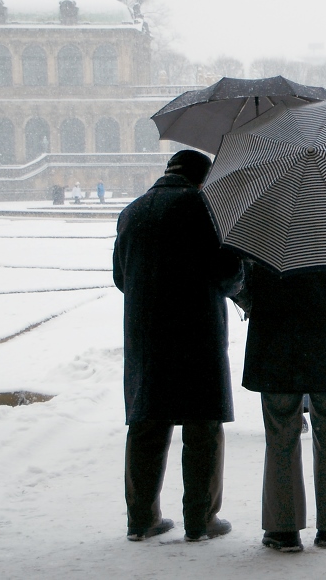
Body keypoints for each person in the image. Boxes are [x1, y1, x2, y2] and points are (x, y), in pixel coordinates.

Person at [113, 150, 243, 543]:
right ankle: (200, 519)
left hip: (145, 334)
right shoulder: (204, 208)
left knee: (147, 423)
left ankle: (141, 519)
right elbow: (227, 276)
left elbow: (122, 277)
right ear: (201, 179)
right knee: (202, 425)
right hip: (195, 329)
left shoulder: (132, 212)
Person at [235, 249, 326, 552]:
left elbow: (237, 271)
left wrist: (254, 299)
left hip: (275, 332)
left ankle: (282, 529)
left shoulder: (261, 209)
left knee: (280, 433)